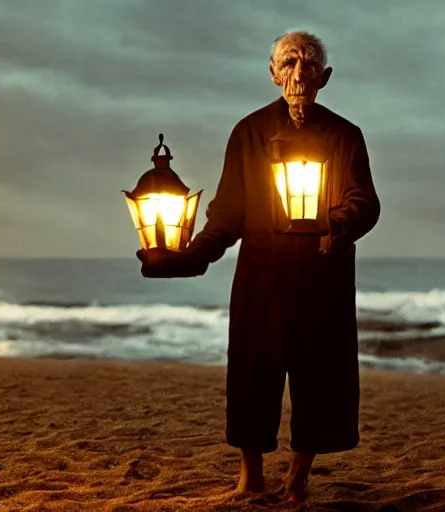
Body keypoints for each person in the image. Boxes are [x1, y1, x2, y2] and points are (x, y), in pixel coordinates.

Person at [139, 31, 380, 502]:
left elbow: (365, 201)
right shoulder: (248, 133)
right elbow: (227, 214)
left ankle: (299, 473)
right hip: (260, 278)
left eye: (309, 66)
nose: (298, 74)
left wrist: (330, 221)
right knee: (252, 375)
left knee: (320, 379)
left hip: (323, 280)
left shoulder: (345, 136)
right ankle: (250, 474)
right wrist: (187, 256)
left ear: (324, 77)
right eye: (288, 63)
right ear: (272, 74)